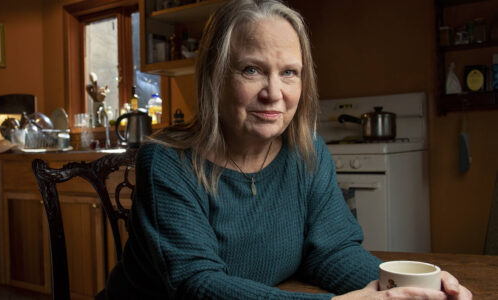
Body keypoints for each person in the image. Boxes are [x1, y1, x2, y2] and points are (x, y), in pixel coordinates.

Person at [102, 0, 472, 299]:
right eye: (252, 70)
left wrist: (404, 288)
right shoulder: (168, 161)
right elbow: (197, 284)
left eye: (289, 72)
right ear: (216, 76)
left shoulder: (306, 152)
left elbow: (331, 250)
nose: (274, 93)